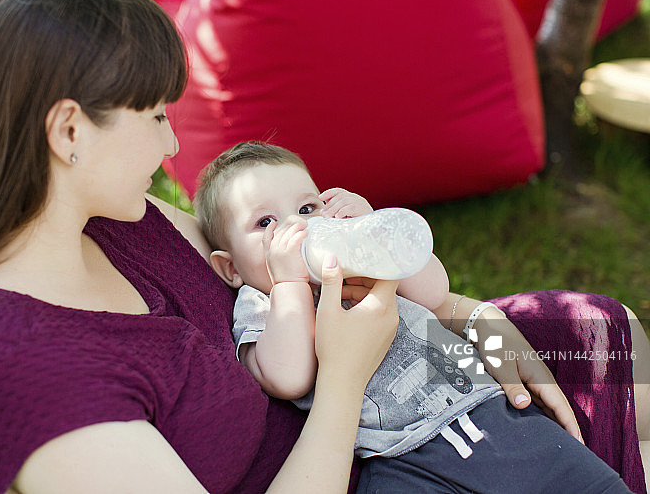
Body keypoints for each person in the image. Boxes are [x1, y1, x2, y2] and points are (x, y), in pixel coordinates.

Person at [0, 0, 649, 494]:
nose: (173, 149)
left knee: (603, 337)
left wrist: (469, 313)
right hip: (391, 457)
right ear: (69, 129)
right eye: (157, 117)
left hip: (416, 393)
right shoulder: (25, 373)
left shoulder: (113, 219)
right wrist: (344, 384)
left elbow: (297, 263)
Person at [193, 141, 634, 492]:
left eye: (307, 209)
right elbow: (289, 377)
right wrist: (289, 284)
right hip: (402, 460)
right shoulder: (262, 304)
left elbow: (434, 291)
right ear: (231, 268)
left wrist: (378, 234)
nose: (297, 227)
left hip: (486, 408)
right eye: (266, 222)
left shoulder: (359, 261)